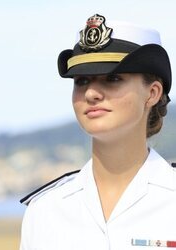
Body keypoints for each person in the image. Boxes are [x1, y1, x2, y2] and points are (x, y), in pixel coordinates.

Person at [19, 14, 175, 249]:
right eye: (81, 81)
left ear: (152, 93)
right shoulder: (45, 211)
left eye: (112, 78)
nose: (91, 93)